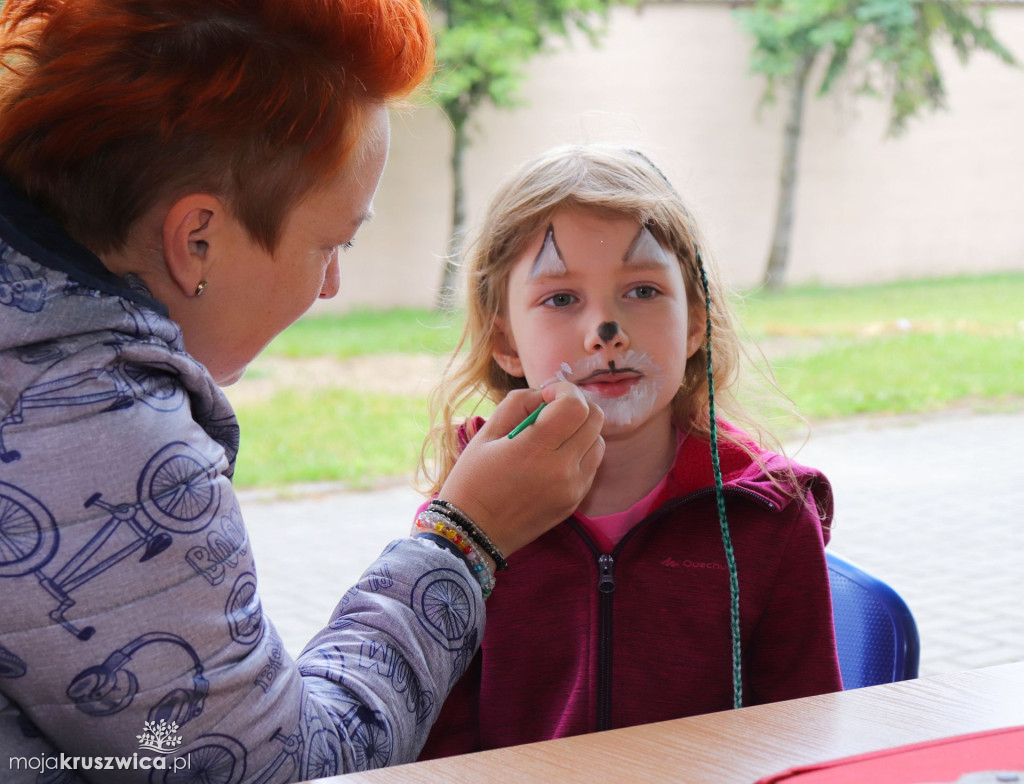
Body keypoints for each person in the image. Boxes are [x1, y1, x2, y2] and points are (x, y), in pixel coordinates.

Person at [0, 2, 605, 780]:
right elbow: (284, 767)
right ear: (197, 241)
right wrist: (465, 538)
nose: (332, 285)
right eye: (332, 242)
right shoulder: (105, 440)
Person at [416, 144, 843, 758]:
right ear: (504, 339)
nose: (605, 332)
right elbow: (439, 751)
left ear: (696, 320)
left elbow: (806, 746)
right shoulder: (471, 517)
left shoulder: (770, 520)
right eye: (562, 299)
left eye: (642, 291)